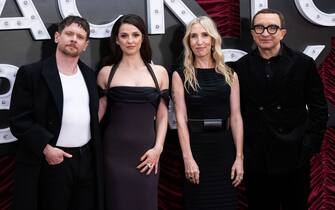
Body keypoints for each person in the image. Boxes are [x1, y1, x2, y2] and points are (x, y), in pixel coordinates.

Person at [233, 8, 328, 210]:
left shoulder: (303, 64)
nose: (265, 33)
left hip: (295, 156)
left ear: (283, 32)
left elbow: (319, 108)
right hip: (258, 158)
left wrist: (310, 145)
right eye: (259, 27)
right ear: (252, 33)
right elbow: (237, 112)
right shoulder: (241, 67)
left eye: (272, 27)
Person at [9, 16, 103, 210]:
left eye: (80, 36)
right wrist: (45, 147)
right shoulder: (32, 74)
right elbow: (19, 120)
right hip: (51, 160)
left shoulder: (90, 75)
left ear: (85, 45)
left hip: (86, 160)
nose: (73, 39)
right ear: (57, 37)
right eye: (69, 34)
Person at [97, 14, 169, 210]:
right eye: (124, 35)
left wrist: (158, 148)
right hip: (114, 153)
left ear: (143, 38)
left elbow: (163, 115)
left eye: (135, 35)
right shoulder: (106, 72)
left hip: (148, 153)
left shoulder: (160, 73)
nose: (130, 40)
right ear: (116, 40)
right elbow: (98, 113)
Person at [172, 16, 244, 210]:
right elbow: (180, 119)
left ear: (213, 39)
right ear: (188, 42)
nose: (199, 41)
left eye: (205, 35)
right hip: (196, 149)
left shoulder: (230, 74)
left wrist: (239, 157)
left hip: (224, 150)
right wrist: (188, 158)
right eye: (193, 36)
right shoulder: (180, 75)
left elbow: (236, 117)